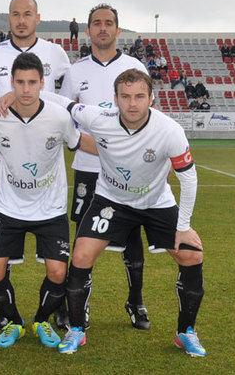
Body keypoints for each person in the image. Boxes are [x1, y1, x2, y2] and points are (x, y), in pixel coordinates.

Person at [42, 70, 206, 357]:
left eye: (140, 96)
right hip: (112, 200)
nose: (133, 104)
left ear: (151, 98)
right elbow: (60, 100)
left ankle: (186, 332)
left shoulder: (169, 130)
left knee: (192, 255)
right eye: (126, 97)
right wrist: (15, 95)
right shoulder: (98, 118)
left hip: (156, 203)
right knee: (80, 255)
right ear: (115, 99)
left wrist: (183, 226)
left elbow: (189, 179)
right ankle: (77, 329)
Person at [0, 52, 95, 348]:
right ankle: (16, 323)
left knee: (58, 272)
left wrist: (123, 151)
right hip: (8, 205)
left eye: (32, 82)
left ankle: (41, 320)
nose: (25, 89)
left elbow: (78, 143)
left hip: (50, 207)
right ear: (11, 83)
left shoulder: (59, 117)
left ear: (42, 83)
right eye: (19, 82)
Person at [0, 0, 70, 326]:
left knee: (56, 260)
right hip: (3, 157)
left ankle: (56, 308)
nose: (21, 20)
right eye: (15, 14)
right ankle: (4, 314)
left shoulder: (55, 53)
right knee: (0, 246)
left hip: (41, 151)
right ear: (9, 19)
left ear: (37, 17)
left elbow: (65, 98)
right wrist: (2, 105)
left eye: (27, 14)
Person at [58, 4, 151, 331]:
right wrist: (81, 142)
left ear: (117, 30)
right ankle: (77, 304)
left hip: (127, 168)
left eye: (108, 23)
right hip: (87, 166)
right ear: (88, 30)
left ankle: (135, 299)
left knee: (132, 232)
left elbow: (146, 113)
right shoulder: (75, 71)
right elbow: (64, 116)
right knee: (84, 237)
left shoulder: (134, 66)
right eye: (96, 23)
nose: (102, 28)